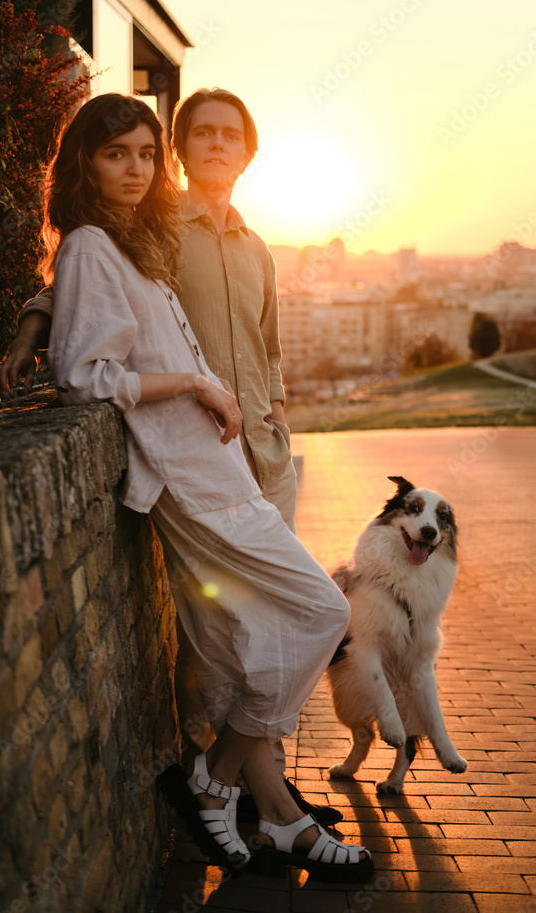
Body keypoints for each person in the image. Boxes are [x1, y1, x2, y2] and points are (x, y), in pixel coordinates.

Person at [36, 91, 373, 881]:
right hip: (193, 477)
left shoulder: (152, 238)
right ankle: (217, 782)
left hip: (241, 463)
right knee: (322, 611)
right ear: (84, 158)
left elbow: (267, 346)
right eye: (117, 152)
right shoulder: (102, 240)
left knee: (255, 642)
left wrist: (266, 414)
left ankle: (269, 810)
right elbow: (82, 360)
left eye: (143, 154)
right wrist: (193, 380)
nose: (134, 168)